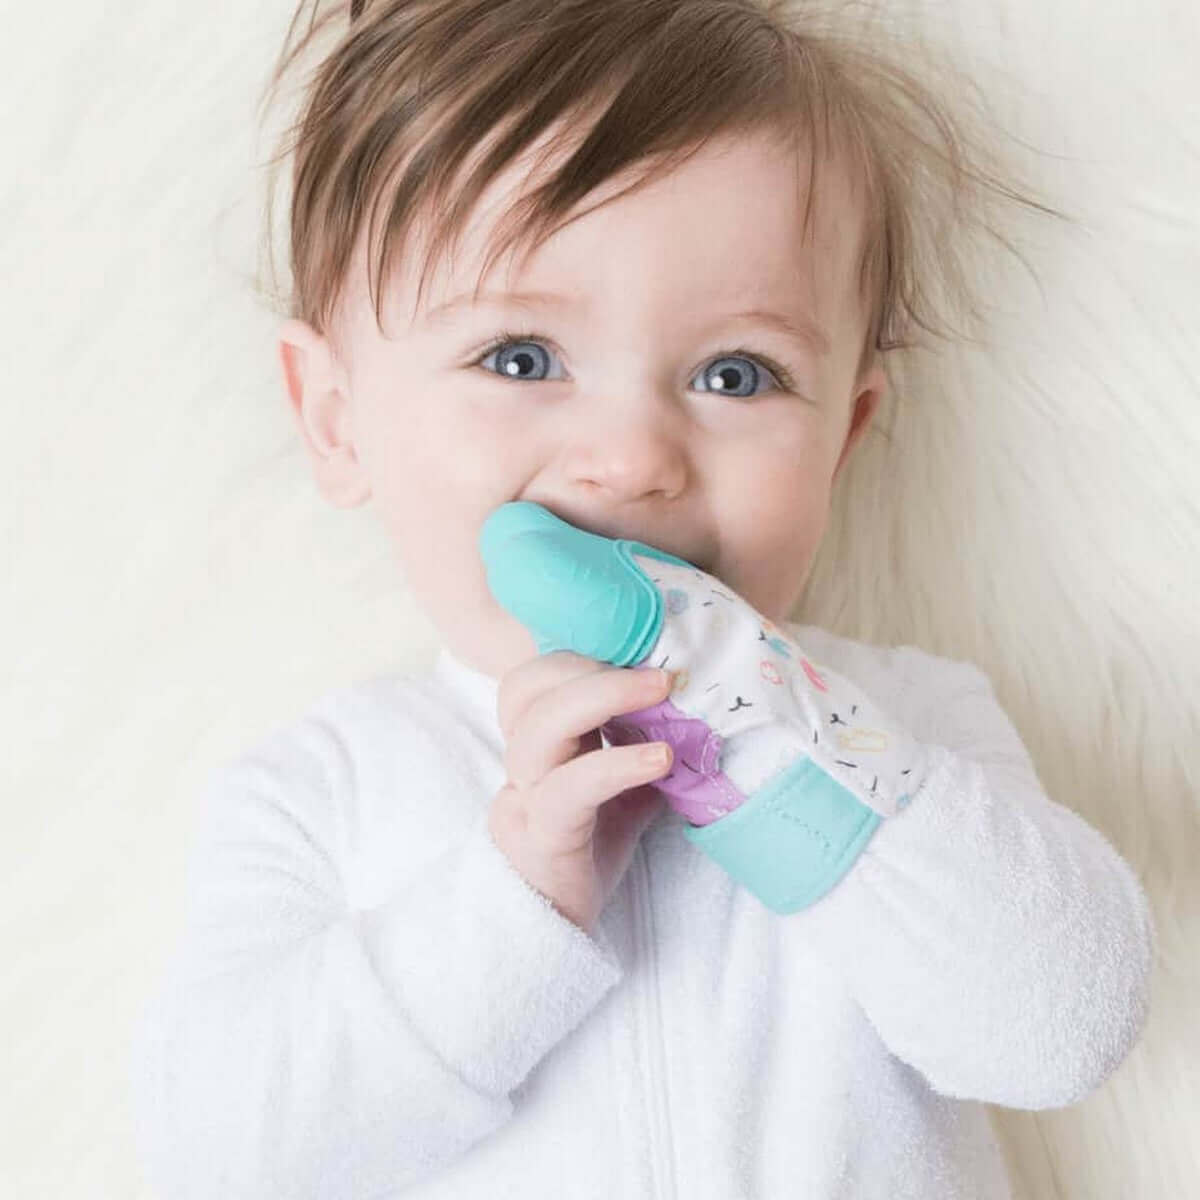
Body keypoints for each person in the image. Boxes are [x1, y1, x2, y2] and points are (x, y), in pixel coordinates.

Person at [129, 1, 1155, 1196]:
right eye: (521, 358)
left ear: (843, 439)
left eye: (736, 374)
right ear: (335, 416)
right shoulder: (324, 789)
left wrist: (771, 734)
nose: (630, 457)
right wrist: (511, 904)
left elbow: (1060, 1033)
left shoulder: (908, 726)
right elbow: (218, 1149)